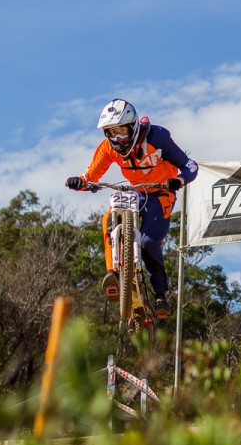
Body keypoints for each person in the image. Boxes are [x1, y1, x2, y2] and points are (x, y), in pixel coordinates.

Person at [66, 98, 198, 319]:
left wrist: (179, 181)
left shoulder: (158, 139)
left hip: (161, 192)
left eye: (121, 131)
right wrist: (80, 182)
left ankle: (160, 294)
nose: (117, 138)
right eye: (111, 132)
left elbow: (190, 166)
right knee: (110, 216)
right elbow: (91, 176)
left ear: (134, 126)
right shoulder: (109, 148)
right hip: (136, 192)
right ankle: (112, 274)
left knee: (148, 242)